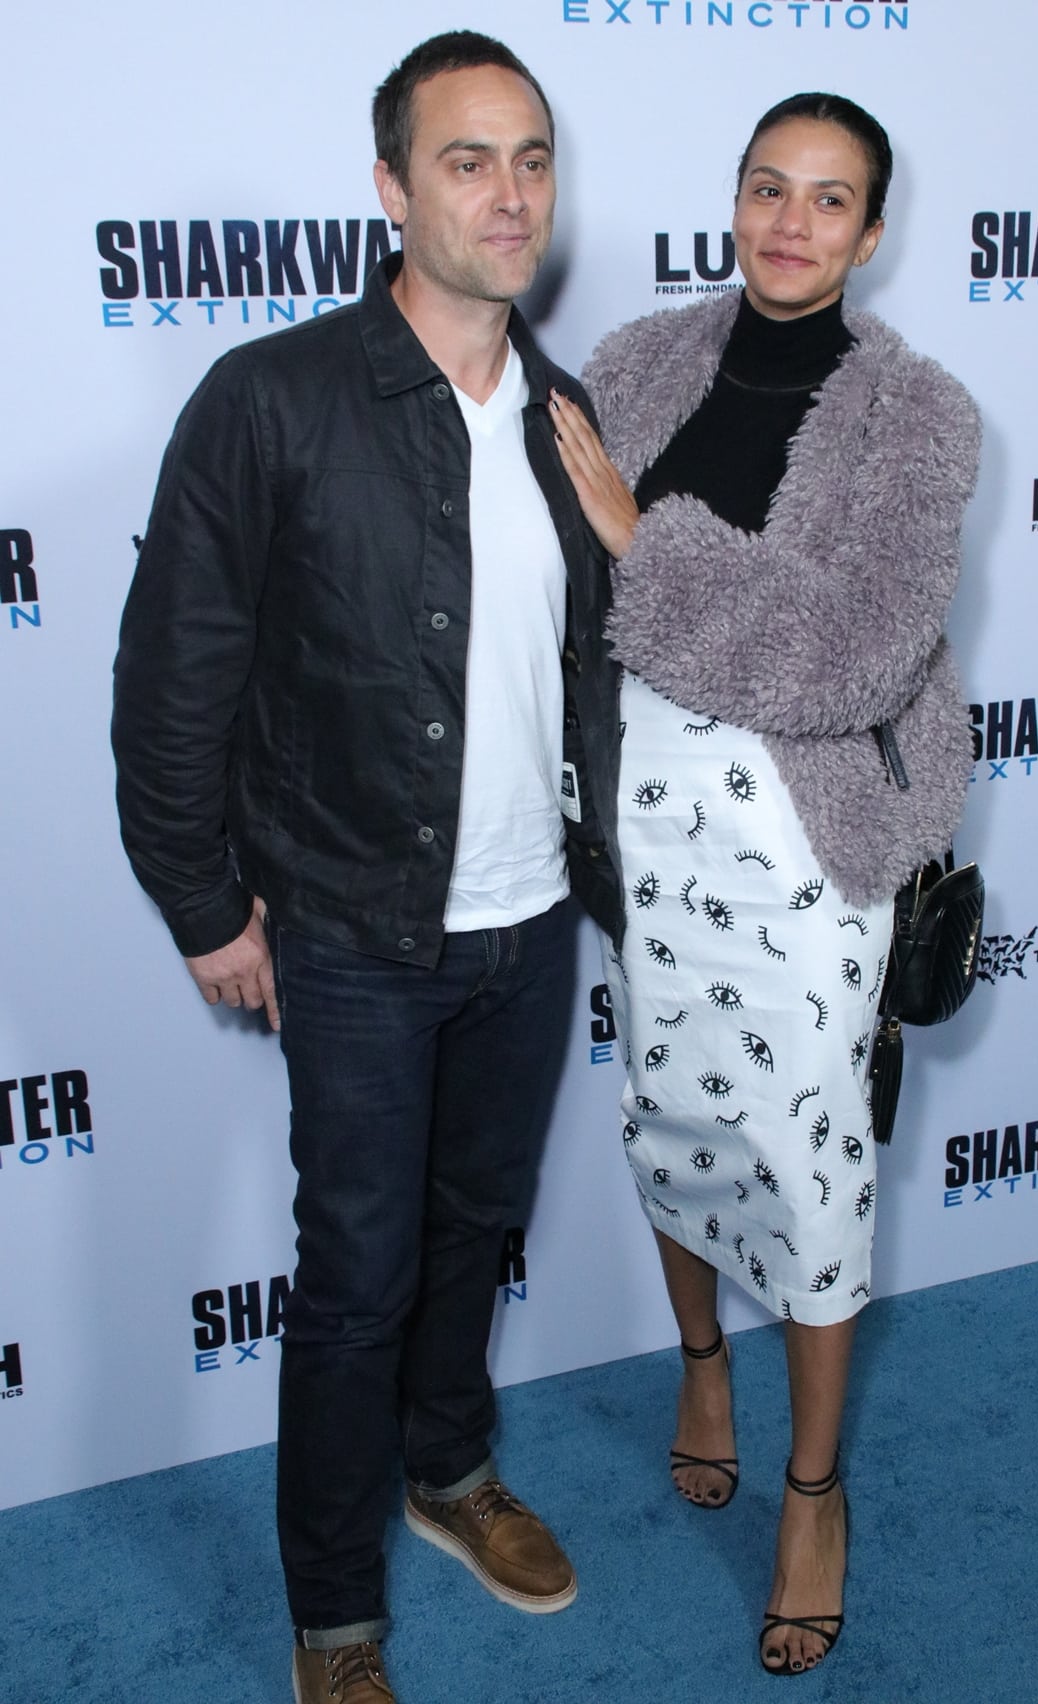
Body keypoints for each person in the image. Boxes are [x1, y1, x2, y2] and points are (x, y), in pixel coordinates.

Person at [112, 31, 622, 1704]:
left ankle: (452, 1473)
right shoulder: (272, 398)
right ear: (392, 188)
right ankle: (335, 1621)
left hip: (526, 924)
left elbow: (602, 673)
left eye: (530, 157)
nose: (508, 193)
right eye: (465, 160)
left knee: (476, 1228)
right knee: (355, 1281)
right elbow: (173, 673)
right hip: (342, 927)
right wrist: (204, 902)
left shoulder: (571, 415)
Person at [552, 93, 980, 1676]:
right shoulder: (638, 367)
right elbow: (555, 594)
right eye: (766, 190)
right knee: (669, 1106)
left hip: (800, 835)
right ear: (732, 201)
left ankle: (813, 1491)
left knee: (805, 1161)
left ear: (873, 233)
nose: (791, 224)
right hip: (643, 814)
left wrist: (643, 540)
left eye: (830, 200)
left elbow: (851, 656)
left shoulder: (921, 416)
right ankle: (698, 1361)